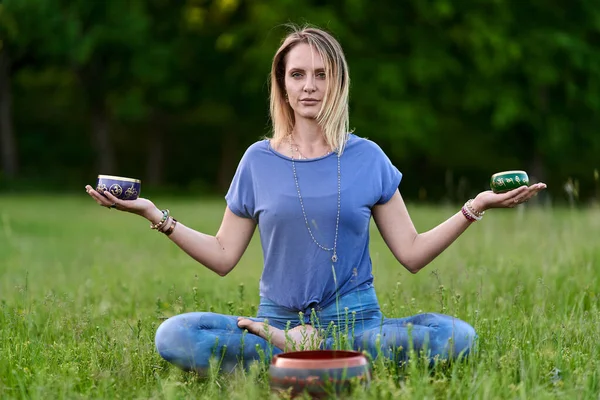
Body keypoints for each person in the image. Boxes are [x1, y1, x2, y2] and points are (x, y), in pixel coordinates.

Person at [85, 25, 546, 374]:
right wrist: (154, 215)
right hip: (275, 326)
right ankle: (326, 361)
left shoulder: (368, 157)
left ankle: (310, 360)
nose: (309, 85)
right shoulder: (257, 160)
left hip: (358, 323)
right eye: (298, 74)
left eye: (321, 74)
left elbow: (411, 252)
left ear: (336, 82)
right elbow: (224, 255)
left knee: (455, 337)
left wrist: (475, 207)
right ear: (282, 84)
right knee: (175, 335)